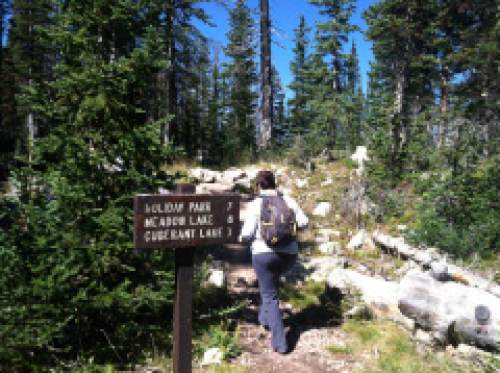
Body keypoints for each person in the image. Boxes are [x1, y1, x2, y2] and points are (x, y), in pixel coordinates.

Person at [239, 170, 308, 353]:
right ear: (274, 183)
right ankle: (264, 319)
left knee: (269, 295)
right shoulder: (289, 201)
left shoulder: (255, 204)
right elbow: (304, 223)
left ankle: (281, 343)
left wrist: (241, 238)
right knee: (270, 285)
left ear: (258, 186)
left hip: (264, 255)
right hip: (289, 255)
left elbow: (246, 234)